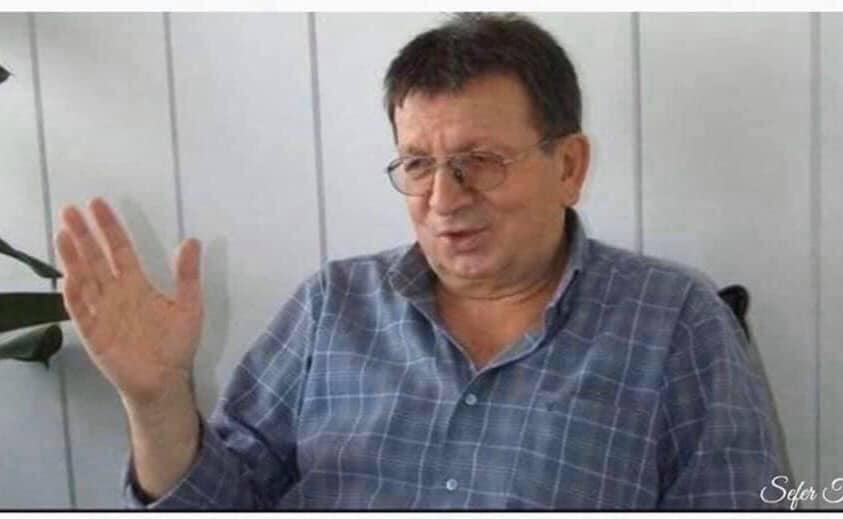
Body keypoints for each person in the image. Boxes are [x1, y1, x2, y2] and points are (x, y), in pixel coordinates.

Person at [54, 13, 789, 510]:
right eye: (417, 164)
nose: (443, 198)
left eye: (480, 161)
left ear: (568, 166)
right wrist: (157, 401)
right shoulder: (331, 305)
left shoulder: (676, 323)